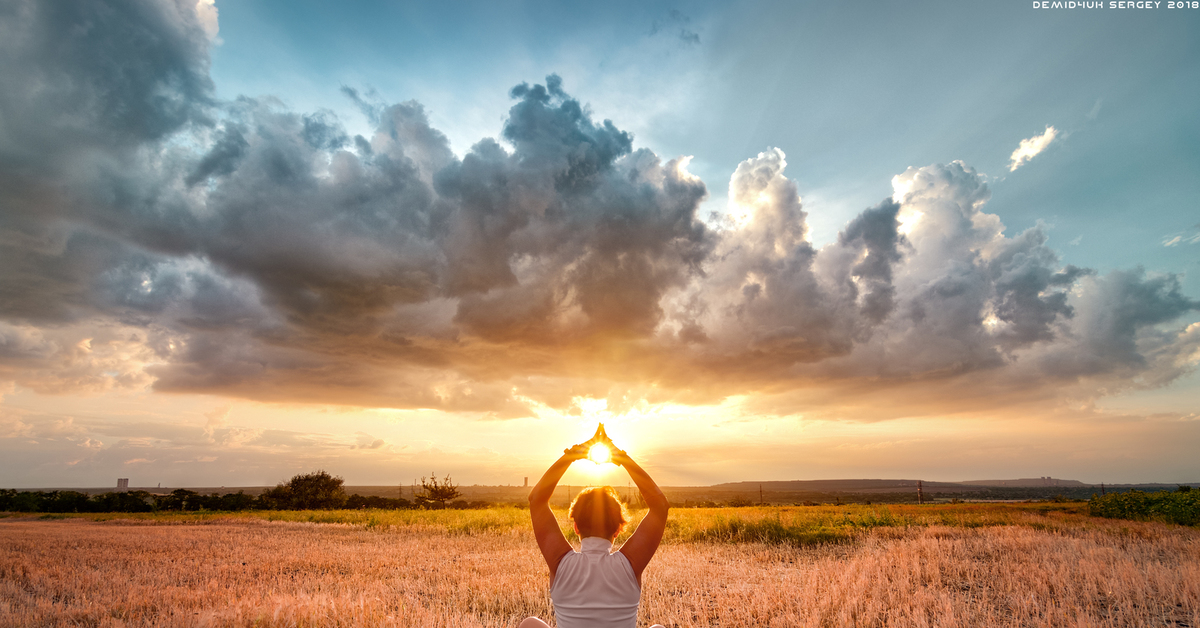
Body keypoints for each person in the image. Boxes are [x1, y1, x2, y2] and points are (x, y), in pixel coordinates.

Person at [519, 427, 669, 628]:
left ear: (576, 527)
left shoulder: (561, 564)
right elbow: (659, 507)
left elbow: (536, 500)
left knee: (530, 624)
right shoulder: (629, 566)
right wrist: (623, 458)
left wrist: (571, 456)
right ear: (617, 529)